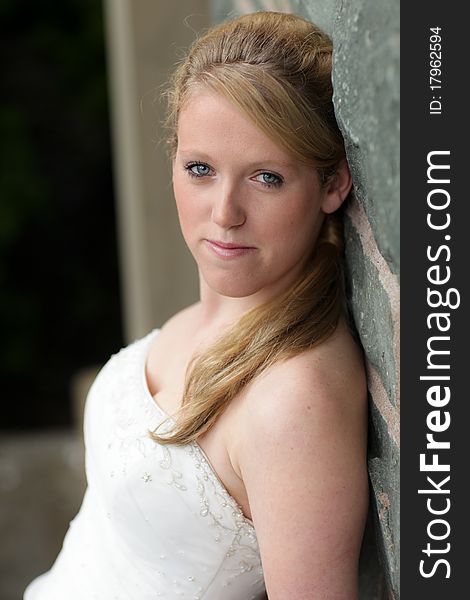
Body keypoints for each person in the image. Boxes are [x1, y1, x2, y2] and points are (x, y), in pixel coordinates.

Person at [24, 10, 368, 600]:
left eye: (266, 178)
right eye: (201, 169)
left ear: (332, 184)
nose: (225, 213)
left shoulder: (294, 401)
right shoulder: (225, 311)